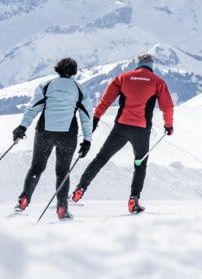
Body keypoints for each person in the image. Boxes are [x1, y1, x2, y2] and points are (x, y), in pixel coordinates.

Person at [72, 52, 174, 213]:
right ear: (151, 65)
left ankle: (80, 189)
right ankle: (134, 199)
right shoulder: (158, 82)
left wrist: (96, 119)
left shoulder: (123, 77)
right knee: (140, 164)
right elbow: (167, 107)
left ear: (138, 63)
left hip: (121, 127)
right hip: (141, 130)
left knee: (101, 158)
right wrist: (169, 125)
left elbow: (105, 101)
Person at [12, 57, 93, 220]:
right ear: (74, 72)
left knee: (36, 168)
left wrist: (22, 126)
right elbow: (86, 116)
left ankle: (24, 198)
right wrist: (87, 140)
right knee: (63, 172)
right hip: (68, 135)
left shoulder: (46, 86)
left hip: (44, 132)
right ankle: (62, 207)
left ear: (57, 69)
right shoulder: (79, 89)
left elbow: (33, 108)